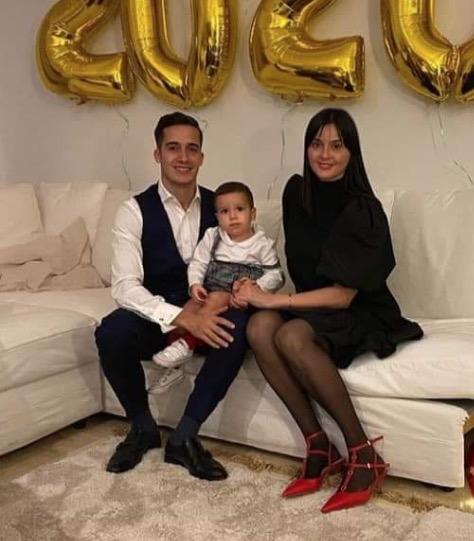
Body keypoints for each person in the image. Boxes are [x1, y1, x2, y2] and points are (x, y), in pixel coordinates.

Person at [232, 108, 423, 513]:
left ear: (352, 152)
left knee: (288, 333)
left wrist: (275, 300)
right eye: (317, 144)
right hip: (312, 308)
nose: (325, 154)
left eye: (337, 146)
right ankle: (319, 446)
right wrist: (248, 288)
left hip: (360, 310)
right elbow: (294, 271)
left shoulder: (364, 209)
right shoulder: (296, 193)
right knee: (259, 327)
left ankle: (363, 453)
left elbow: (342, 296)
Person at [95, 112, 247, 481]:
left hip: (208, 312)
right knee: (111, 331)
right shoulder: (133, 210)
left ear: (202, 157)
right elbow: (125, 286)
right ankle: (142, 427)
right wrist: (180, 317)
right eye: (173, 148)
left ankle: (183, 438)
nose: (183, 157)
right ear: (157, 154)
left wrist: (212, 305)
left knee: (240, 325)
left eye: (192, 149)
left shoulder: (222, 208)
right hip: (157, 317)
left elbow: (243, 263)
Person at [150, 181, 284, 383]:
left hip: (241, 297)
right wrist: (195, 284)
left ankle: (186, 343)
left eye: (239, 209)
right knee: (187, 309)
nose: (233, 216)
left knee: (215, 299)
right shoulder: (213, 236)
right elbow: (198, 262)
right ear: (217, 217)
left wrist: (256, 288)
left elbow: (276, 275)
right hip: (211, 289)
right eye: (224, 211)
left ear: (253, 213)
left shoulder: (261, 244)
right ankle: (176, 357)